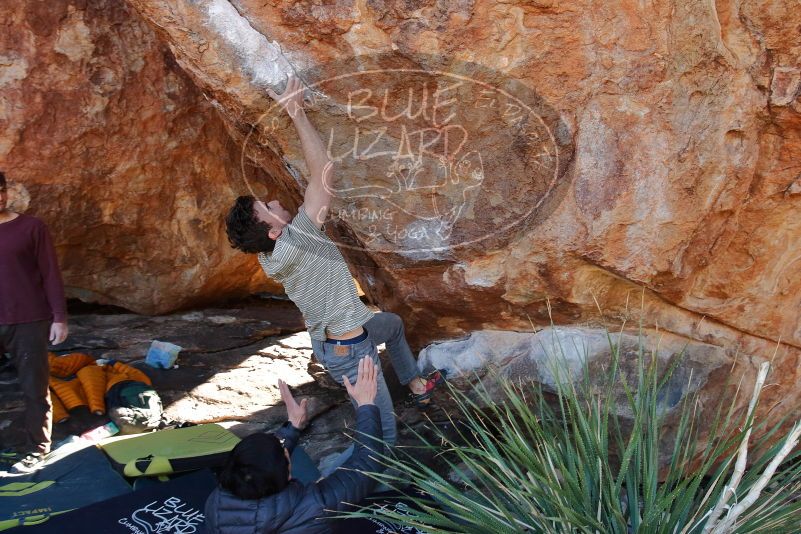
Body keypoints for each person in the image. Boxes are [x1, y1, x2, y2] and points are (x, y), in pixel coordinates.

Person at [224, 75, 444, 453]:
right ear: (274, 231)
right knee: (383, 435)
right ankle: (365, 491)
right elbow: (324, 172)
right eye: (268, 207)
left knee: (391, 325)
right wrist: (296, 111)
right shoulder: (298, 239)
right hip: (351, 349)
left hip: (332, 341)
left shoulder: (270, 253)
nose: (276, 201)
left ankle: (415, 383)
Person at [204, 356, 384, 533]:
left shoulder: (216, 502)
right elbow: (367, 465)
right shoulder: (314, 506)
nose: (286, 450)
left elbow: (261, 463)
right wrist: (366, 403)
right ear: (285, 474)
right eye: (284, 453)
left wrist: (293, 427)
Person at [0, 170, 68, 472]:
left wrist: (59, 318)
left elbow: (51, 274)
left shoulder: (32, 228)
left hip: (30, 320)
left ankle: (37, 449)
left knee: (34, 389)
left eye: (0, 190)